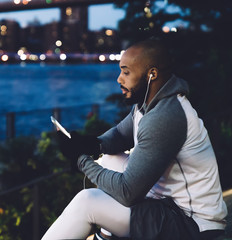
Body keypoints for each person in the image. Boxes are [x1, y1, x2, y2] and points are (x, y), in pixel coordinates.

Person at [42, 39, 227, 240]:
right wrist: (89, 144)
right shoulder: (147, 105)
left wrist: (81, 160)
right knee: (109, 159)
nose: (119, 79)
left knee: (87, 202)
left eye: (126, 72)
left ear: (151, 74)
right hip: (168, 204)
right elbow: (120, 135)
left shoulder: (166, 116)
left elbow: (127, 192)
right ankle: (107, 235)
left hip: (192, 224)